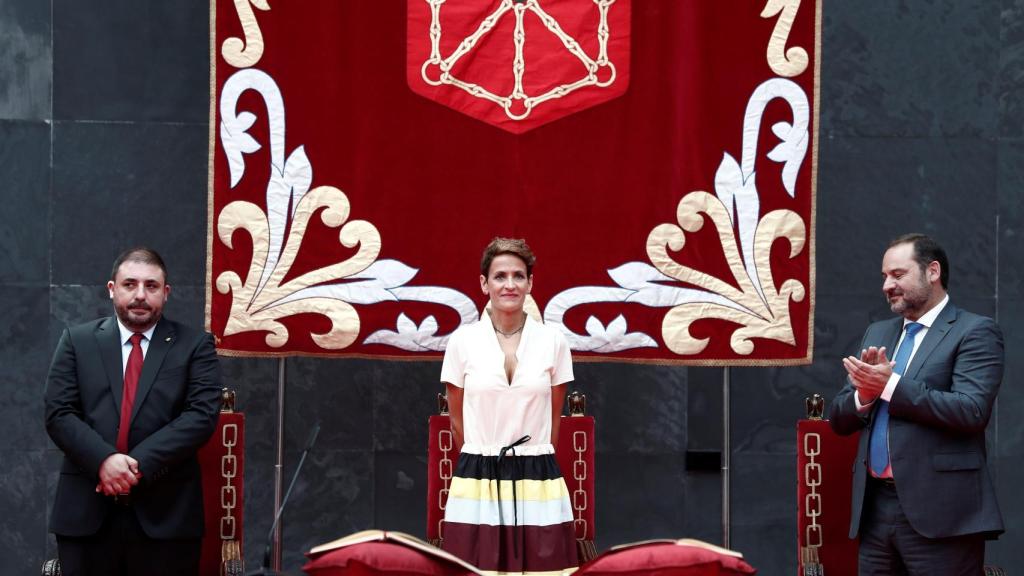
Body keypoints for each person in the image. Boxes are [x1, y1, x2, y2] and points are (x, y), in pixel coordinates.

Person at [829, 233, 1004, 576]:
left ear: (932, 271)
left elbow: (971, 411)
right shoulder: (877, 333)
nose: (887, 285)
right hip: (874, 510)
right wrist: (864, 396)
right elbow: (838, 417)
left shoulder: (974, 331)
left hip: (943, 515)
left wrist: (890, 386)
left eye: (898, 275)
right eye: (884, 277)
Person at [45, 247, 223, 575]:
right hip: (86, 515)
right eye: (130, 284)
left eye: (151, 286)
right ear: (112, 289)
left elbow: (200, 417)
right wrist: (104, 461)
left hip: (167, 518)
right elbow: (59, 413)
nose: (140, 295)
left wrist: (133, 468)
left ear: (165, 293)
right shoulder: (76, 341)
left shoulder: (195, 345)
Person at [440, 237, 578, 574]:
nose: (510, 284)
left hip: (538, 477)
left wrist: (533, 461)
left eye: (518, 276)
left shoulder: (553, 341)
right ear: (484, 283)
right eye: (500, 276)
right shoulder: (462, 341)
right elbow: (456, 421)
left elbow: (554, 418)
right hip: (477, 475)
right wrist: (482, 459)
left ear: (531, 283)